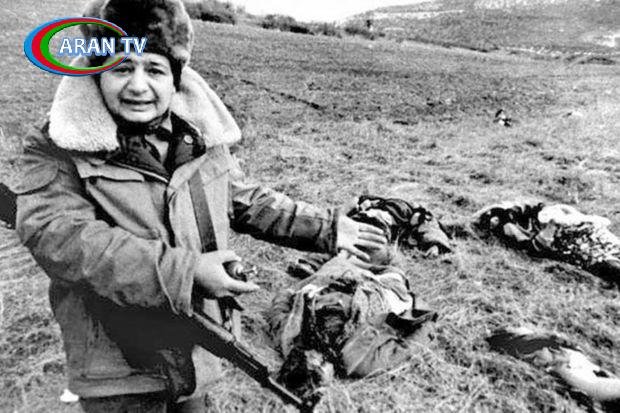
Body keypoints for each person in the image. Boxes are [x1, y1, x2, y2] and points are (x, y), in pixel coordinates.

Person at [13, 0, 386, 411]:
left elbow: (242, 197)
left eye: (154, 70)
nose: (138, 86)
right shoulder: (56, 146)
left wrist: (326, 228)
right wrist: (187, 273)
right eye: (122, 68)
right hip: (118, 371)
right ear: (96, 73)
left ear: (175, 79)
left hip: (197, 348)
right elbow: (61, 239)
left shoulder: (196, 138)